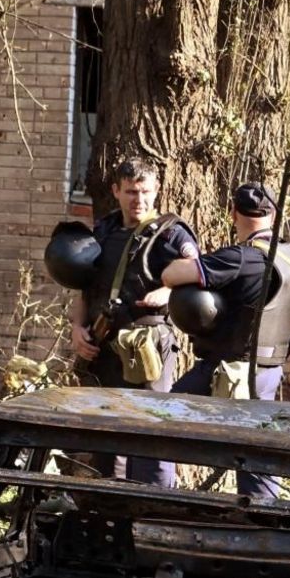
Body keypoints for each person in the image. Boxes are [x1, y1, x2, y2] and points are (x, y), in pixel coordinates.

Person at [155, 181, 290, 498]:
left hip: (229, 372)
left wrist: (182, 260)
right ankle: (265, 521)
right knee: (255, 449)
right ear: (274, 213)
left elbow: (172, 276)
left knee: (161, 426)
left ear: (233, 213)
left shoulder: (242, 258)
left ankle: (155, 500)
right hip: (269, 372)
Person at [67, 156, 196, 487]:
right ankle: (108, 504)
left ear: (157, 191)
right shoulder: (104, 230)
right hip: (104, 344)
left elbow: (199, 275)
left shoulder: (172, 234)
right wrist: (77, 329)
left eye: (145, 191)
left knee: (151, 429)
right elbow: (85, 288)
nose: (138, 200)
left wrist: (168, 292)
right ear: (116, 191)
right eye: (130, 192)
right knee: (104, 431)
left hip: (148, 346)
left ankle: (155, 504)